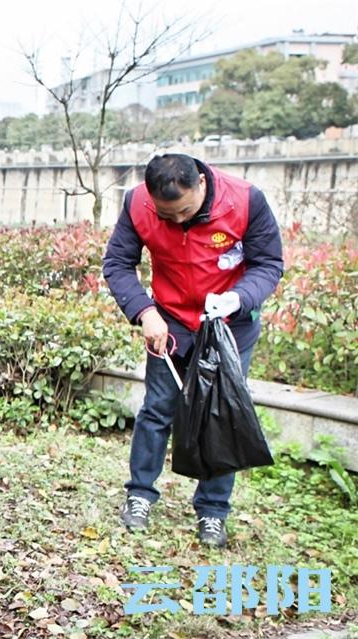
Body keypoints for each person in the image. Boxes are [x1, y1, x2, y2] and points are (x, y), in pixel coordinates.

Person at [103, 153, 284, 548]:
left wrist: (238, 298)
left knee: (221, 415)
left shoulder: (246, 201)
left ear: (201, 183)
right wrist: (144, 311)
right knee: (157, 410)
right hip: (168, 323)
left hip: (227, 324)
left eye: (184, 211)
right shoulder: (137, 203)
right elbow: (118, 263)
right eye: (167, 216)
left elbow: (269, 263)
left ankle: (214, 511)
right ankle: (140, 495)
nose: (178, 222)